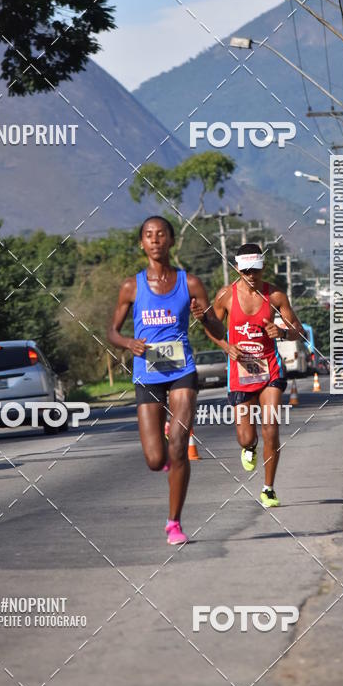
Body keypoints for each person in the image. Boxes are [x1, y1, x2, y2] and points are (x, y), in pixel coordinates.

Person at [107, 216, 224, 544]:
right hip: (147, 374)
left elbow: (218, 330)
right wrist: (129, 343)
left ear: (172, 241)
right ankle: (166, 435)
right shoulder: (132, 287)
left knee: (177, 450)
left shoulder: (191, 284)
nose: (155, 240)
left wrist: (206, 320)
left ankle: (174, 523)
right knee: (155, 459)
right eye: (149, 235)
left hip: (182, 371)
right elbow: (111, 332)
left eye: (161, 235)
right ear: (142, 243)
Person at [203, 243, 305, 508]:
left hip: (270, 367)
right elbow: (212, 328)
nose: (251, 275)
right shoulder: (225, 296)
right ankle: (249, 447)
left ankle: (268, 488)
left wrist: (282, 333)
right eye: (246, 270)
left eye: (255, 270)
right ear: (237, 269)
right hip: (240, 372)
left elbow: (297, 330)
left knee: (271, 427)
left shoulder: (276, 296)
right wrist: (227, 347)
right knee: (246, 437)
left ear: (263, 268)